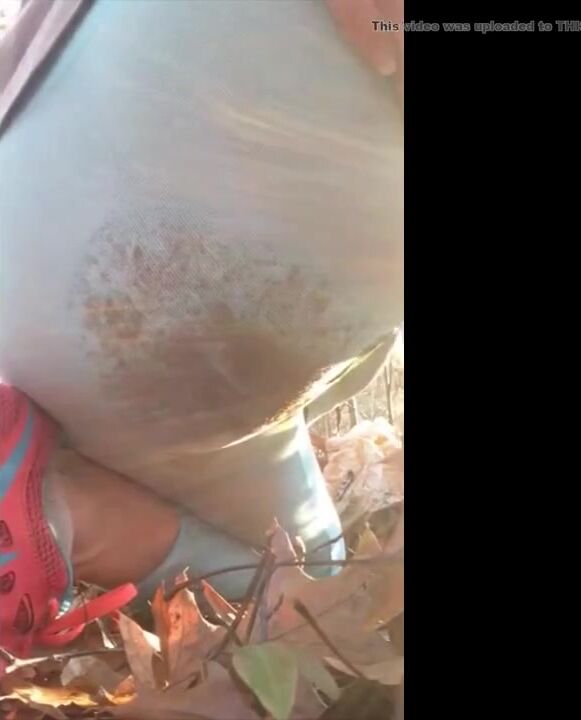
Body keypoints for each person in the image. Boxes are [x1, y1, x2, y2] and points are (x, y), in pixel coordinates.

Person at [0, 0, 403, 663]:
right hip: (140, 293)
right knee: (316, 587)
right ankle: (66, 514)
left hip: (35, 168)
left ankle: (54, 478)